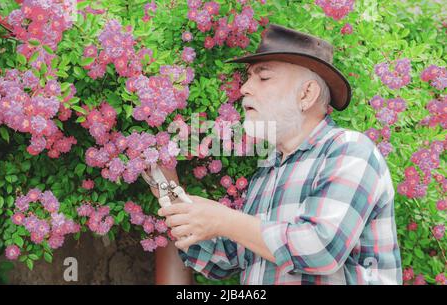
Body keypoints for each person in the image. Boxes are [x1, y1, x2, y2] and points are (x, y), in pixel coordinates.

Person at [151, 24, 402, 285]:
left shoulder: (349, 150)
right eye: (248, 78)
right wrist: (166, 186)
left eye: (263, 77)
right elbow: (225, 260)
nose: (245, 88)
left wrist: (223, 220)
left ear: (307, 94)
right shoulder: (267, 171)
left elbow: (321, 248)